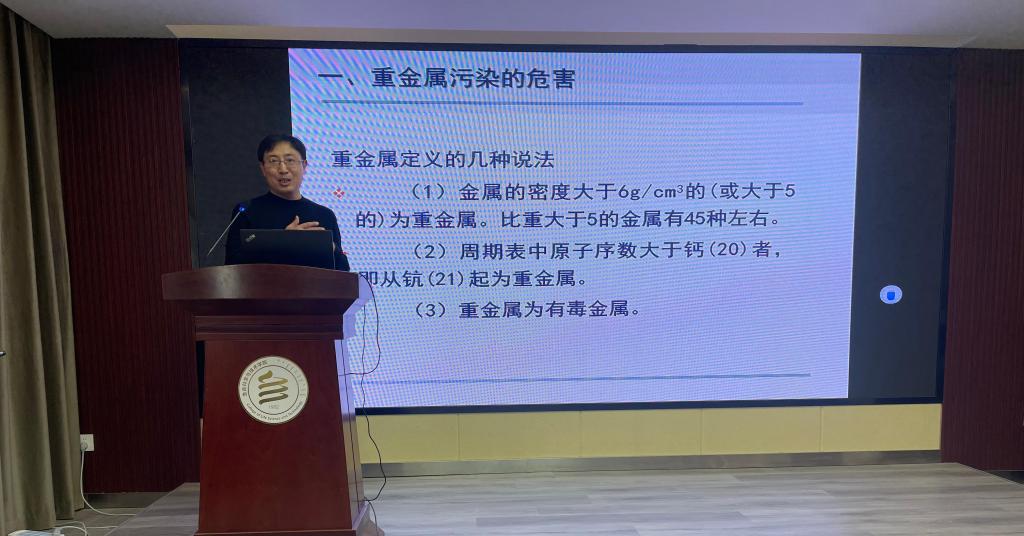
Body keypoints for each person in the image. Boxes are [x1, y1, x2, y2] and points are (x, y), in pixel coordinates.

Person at [224, 134, 350, 271]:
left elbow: (344, 271)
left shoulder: (324, 215)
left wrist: (330, 247)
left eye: (290, 160)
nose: (283, 169)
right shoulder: (246, 211)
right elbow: (232, 267)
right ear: (263, 168)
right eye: (273, 161)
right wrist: (285, 243)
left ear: (304, 166)